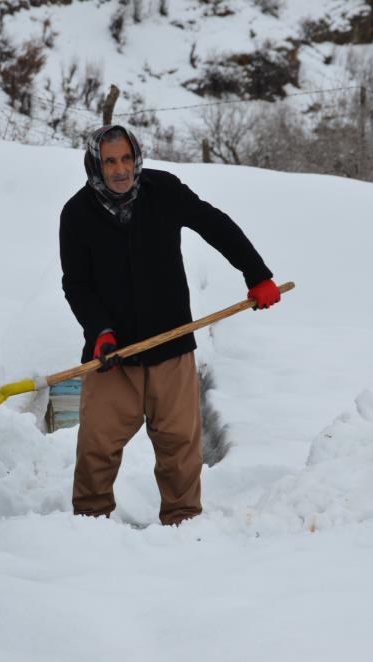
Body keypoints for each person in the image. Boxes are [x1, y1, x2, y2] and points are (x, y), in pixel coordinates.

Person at [59, 124, 280, 526]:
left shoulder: (163, 191)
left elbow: (215, 225)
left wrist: (257, 275)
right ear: (95, 164)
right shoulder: (77, 215)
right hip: (114, 354)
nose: (121, 169)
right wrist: (100, 331)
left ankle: (183, 524)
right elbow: (76, 284)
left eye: (127, 158)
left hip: (171, 347)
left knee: (179, 445)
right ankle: (88, 527)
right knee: (97, 445)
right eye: (110, 161)